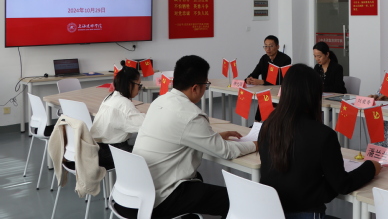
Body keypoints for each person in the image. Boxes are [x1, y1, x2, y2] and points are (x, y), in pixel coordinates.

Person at [129, 55, 257, 219]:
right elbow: (227, 152)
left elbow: (176, 135)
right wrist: (257, 144)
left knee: (199, 179)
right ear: (195, 88)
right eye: (206, 85)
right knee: (236, 200)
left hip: (139, 191)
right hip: (162, 197)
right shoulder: (190, 115)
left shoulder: (160, 101)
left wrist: (214, 137)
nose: (205, 90)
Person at [259, 64, 380, 218]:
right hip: (306, 212)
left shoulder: (268, 125)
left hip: (270, 212)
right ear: (314, 95)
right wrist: (371, 167)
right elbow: (343, 185)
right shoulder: (323, 134)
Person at [90, 60, 145, 169]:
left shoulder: (110, 97)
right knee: (149, 156)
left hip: (97, 148)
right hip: (111, 152)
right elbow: (145, 125)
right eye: (139, 85)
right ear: (129, 84)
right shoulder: (124, 104)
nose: (139, 89)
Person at [246, 35, 291, 122]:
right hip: (266, 90)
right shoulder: (264, 58)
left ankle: (260, 124)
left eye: (271, 46)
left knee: (265, 99)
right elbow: (254, 73)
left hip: (280, 92)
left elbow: (282, 80)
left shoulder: (285, 59)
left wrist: (262, 82)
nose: (268, 49)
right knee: (263, 97)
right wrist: (248, 79)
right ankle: (257, 124)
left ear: (277, 47)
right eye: (265, 46)